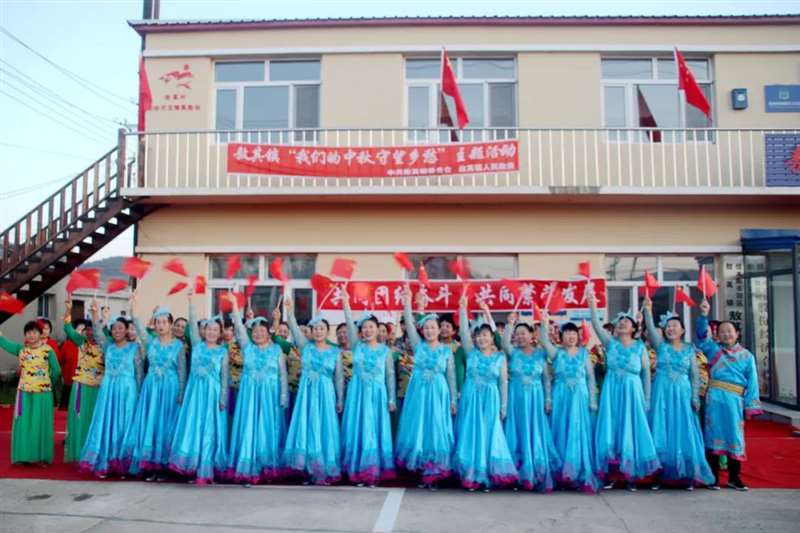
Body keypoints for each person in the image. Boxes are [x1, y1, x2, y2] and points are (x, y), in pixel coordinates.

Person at [589, 292, 660, 490]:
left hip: (632, 392)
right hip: (611, 392)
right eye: (620, 321)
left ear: (634, 328)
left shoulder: (640, 347)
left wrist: (647, 399)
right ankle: (612, 475)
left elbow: (646, 374)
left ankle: (631, 476)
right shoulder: (610, 343)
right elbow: (596, 325)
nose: (622, 323)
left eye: (627, 322)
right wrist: (592, 305)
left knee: (631, 430)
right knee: (611, 429)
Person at [642, 296, 714, 490]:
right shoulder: (660, 346)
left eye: (675, 326)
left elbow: (694, 375)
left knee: (685, 432)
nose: (671, 328)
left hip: (682, 395)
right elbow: (650, 328)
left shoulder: (690, 349)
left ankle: (688, 475)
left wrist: (695, 397)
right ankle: (658, 476)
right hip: (661, 394)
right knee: (660, 430)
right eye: (668, 326)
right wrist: (647, 310)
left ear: (682, 330)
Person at [395, 283, 457, 490]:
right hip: (418, 394)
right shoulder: (417, 345)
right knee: (419, 429)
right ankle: (422, 472)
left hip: (438, 393)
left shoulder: (446, 351)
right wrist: (407, 302)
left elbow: (451, 377)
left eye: (433, 327)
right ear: (422, 330)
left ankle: (435, 474)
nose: (430, 331)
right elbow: (409, 322)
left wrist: (453, 400)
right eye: (427, 328)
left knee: (436, 429)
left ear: (439, 330)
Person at [453, 296, 518, 491]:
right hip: (471, 399)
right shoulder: (471, 352)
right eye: (479, 336)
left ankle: (486, 477)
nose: (482, 338)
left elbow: (503, 383)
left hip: (490, 400)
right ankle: (472, 475)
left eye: (485, 335)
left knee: (489, 435)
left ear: (491, 337)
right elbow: (463, 332)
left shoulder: (500, 358)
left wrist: (503, 407)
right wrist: (463, 309)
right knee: (471, 435)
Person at [696, 299, 762, 491]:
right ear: (717, 335)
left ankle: (734, 477)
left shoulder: (746, 356)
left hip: (735, 400)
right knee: (712, 436)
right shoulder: (713, 350)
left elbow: (752, 382)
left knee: (735, 437)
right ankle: (713, 477)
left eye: (729, 331)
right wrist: (703, 315)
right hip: (715, 399)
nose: (725, 334)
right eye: (722, 331)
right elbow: (701, 335)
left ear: (737, 334)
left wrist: (750, 405)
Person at [226, 296, 289, 484]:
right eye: (255, 331)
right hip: (249, 396)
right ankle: (248, 468)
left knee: (268, 428)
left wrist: (283, 396)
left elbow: (283, 374)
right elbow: (239, 328)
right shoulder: (247, 348)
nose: (258, 334)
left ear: (269, 333)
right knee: (249, 428)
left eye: (262, 331)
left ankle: (267, 468)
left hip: (270, 396)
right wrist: (235, 306)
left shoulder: (277, 350)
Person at [168, 293, 229, 484]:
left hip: (212, 394)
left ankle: (206, 469)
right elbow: (192, 323)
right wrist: (191, 302)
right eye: (208, 329)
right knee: (193, 427)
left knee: (209, 430)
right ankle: (191, 467)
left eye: (215, 330)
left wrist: (223, 398)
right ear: (203, 331)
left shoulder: (223, 351)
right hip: (194, 394)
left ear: (219, 333)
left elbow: (224, 377)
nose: (211, 332)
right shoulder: (197, 345)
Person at [282, 298, 344, 485]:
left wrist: (340, 399)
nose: (318, 331)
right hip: (307, 395)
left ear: (327, 331)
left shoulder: (335, 352)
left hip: (325, 394)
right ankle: (309, 470)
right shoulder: (306, 348)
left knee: (324, 428)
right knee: (307, 428)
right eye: (315, 328)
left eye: (321, 328)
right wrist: (290, 312)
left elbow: (339, 378)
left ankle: (324, 470)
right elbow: (294, 329)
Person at [79, 300, 144, 478]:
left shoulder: (135, 348)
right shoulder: (108, 346)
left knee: (124, 426)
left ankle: (123, 465)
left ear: (127, 330)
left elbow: (139, 373)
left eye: (120, 328)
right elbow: (98, 333)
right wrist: (95, 314)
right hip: (108, 392)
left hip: (128, 392)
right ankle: (105, 464)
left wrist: (139, 395)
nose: (117, 331)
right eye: (114, 328)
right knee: (106, 425)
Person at [124, 301, 187, 481]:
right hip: (151, 388)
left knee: (166, 426)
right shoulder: (149, 342)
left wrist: (181, 393)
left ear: (170, 324)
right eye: (158, 322)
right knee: (150, 424)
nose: (160, 326)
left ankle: (165, 466)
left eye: (164, 322)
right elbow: (138, 325)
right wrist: (133, 307)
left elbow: (182, 371)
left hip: (170, 389)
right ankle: (150, 465)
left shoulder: (179, 346)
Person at [340, 291, 397, 486]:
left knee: (374, 430)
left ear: (378, 329)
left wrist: (391, 399)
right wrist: (346, 303)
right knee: (358, 429)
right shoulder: (357, 346)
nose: (367, 330)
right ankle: (358, 471)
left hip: (378, 395)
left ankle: (372, 472)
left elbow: (390, 375)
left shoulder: (385, 351)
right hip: (357, 395)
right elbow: (349, 322)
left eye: (371, 326)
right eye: (364, 327)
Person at [540, 314, 599, 493]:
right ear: (561, 336)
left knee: (578, 432)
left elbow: (590, 377)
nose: (571, 336)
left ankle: (579, 473)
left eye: (573, 333)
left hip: (579, 397)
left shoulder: (584, 353)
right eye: (567, 333)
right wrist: (544, 324)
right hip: (560, 396)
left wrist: (592, 400)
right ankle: (561, 474)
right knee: (561, 430)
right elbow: (544, 341)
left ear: (578, 336)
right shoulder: (557, 353)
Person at [503, 313, 561, 492]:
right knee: (517, 432)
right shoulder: (513, 353)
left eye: (523, 333)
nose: (520, 337)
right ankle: (516, 475)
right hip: (516, 398)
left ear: (531, 335)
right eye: (517, 334)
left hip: (536, 399)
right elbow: (504, 343)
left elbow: (546, 380)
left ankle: (535, 473)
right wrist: (510, 324)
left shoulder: (540, 354)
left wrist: (548, 399)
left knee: (535, 432)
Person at [0, 320, 61, 464]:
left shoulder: (48, 350)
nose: (31, 335)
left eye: (34, 332)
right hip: (24, 393)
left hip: (43, 393)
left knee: (39, 424)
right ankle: (24, 456)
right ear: (25, 335)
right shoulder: (21, 349)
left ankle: (41, 456)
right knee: (24, 423)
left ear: (40, 334)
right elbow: (5, 343)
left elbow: (57, 371)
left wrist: (47, 384)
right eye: (28, 332)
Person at [62, 296, 105, 463]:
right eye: (88, 329)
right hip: (80, 387)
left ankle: (93, 454)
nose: (91, 332)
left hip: (98, 389)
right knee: (79, 420)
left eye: (94, 329)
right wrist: (68, 310)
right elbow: (67, 328)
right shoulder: (81, 342)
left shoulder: (105, 346)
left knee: (95, 420)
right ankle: (79, 452)